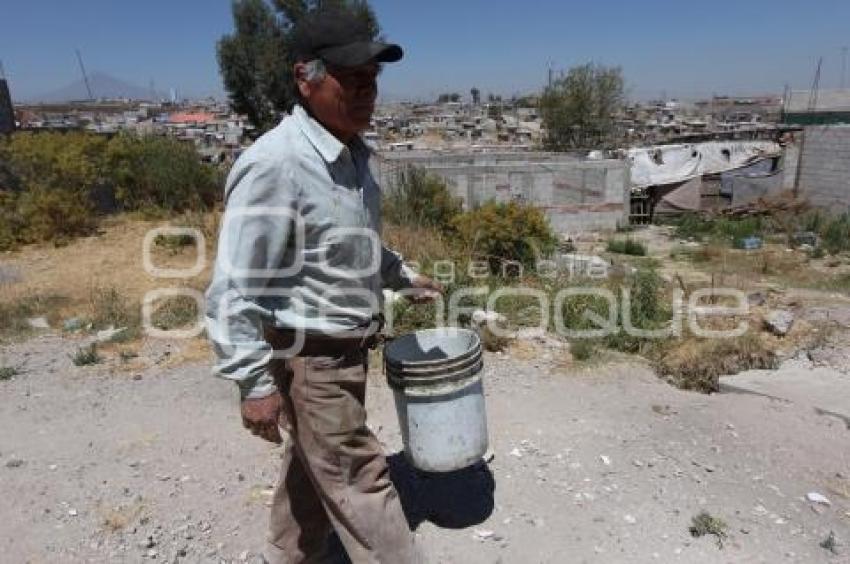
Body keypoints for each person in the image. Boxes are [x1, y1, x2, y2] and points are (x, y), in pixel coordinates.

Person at [205, 7, 440, 563]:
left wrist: (401, 275)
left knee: (313, 473)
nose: (368, 92)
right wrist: (252, 382)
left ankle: (288, 557)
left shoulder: (352, 156)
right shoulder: (276, 165)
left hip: (346, 353)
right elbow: (233, 286)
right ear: (305, 78)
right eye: (351, 78)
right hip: (313, 361)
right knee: (362, 481)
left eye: (373, 80)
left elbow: (350, 242)